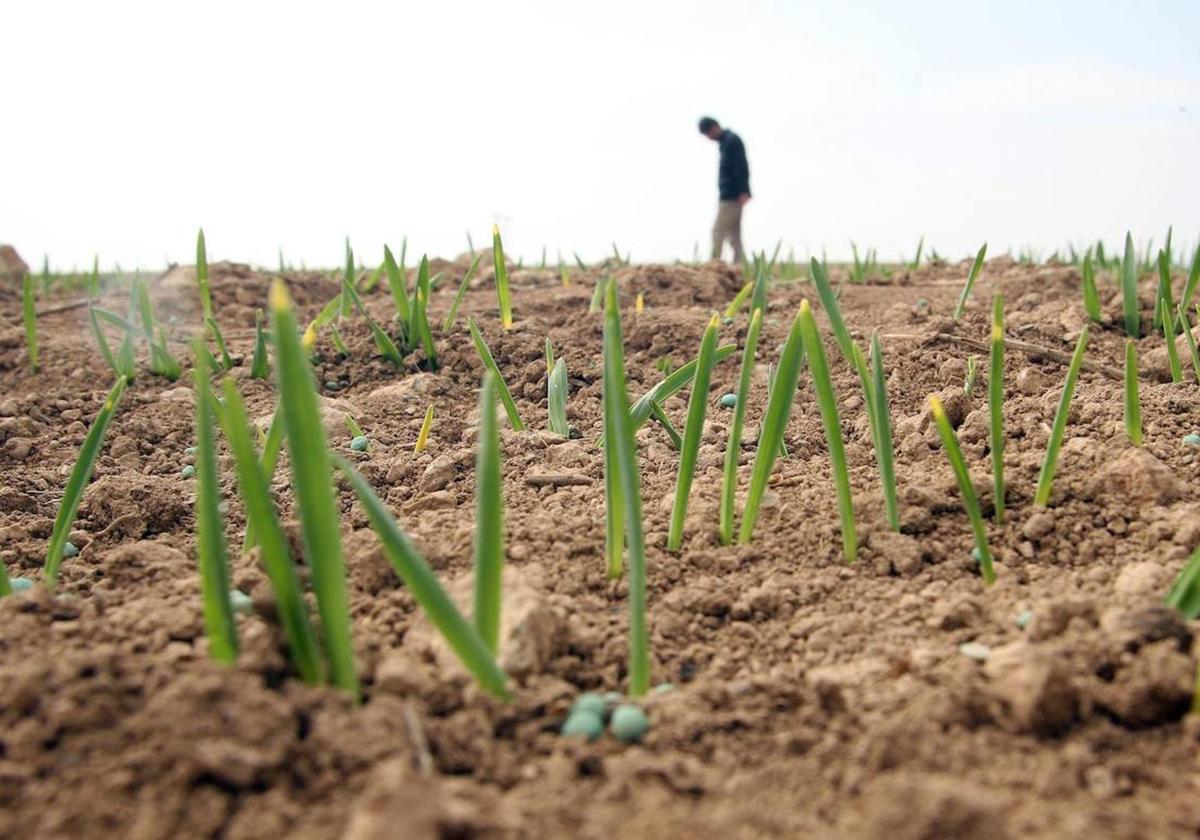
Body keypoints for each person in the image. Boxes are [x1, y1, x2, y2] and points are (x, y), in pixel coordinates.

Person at [698, 116, 750, 264]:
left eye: (707, 134)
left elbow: (741, 166)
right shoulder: (725, 143)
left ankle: (714, 267)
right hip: (730, 195)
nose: (708, 138)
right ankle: (739, 267)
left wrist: (743, 191)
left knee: (717, 231)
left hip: (732, 196)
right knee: (734, 235)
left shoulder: (732, 141)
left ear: (713, 127)